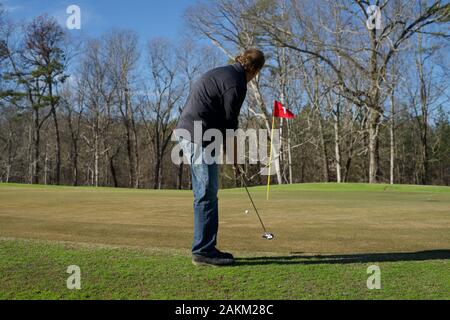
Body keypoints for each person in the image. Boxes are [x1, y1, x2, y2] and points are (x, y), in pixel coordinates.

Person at [176, 48, 265, 267]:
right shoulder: (237, 84)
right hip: (198, 135)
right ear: (254, 70)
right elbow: (229, 127)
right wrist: (235, 158)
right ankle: (203, 251)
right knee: (206, 193)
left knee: (206, 192)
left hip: (195, 133)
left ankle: (207, 248)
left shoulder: (224, 73)